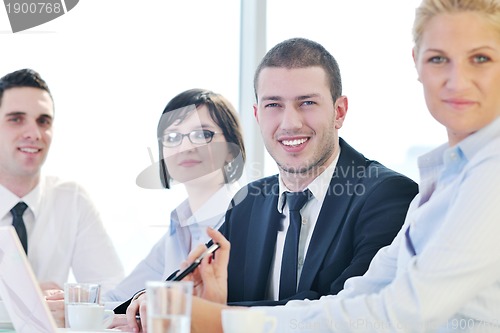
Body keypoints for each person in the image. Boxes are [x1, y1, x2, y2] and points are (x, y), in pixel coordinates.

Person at [170, 0, 500, 332]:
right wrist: (204, 310)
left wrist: (223, 319)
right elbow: (356, 299)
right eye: (439, 59)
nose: (457, 81)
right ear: (417, 63)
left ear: (339, 111)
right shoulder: (445, 180)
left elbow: (399, 313)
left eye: (481, 58)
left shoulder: (471, 178)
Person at [124, 37, 419, 331]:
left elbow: (347, 311)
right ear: (257, 115)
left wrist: (213, 316)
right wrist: (146, 301)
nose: (290, 122)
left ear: (339, 111)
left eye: (307, 103)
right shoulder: (249, 201)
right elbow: (192, 288)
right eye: (274, 105)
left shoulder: (388, 196)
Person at [106, 89, 246, 308]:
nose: (186, 147)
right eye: (172, 137)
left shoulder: (248, 217)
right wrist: (69, 304)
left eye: (202, 134)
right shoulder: (179, 226)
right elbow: (118, 299)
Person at [0, 70, 124, 295]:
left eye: (43, 121)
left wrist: (68, 300)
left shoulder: (71, 199)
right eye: (16, 119)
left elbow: (113, 290)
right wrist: (23, 297)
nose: (34, 133)